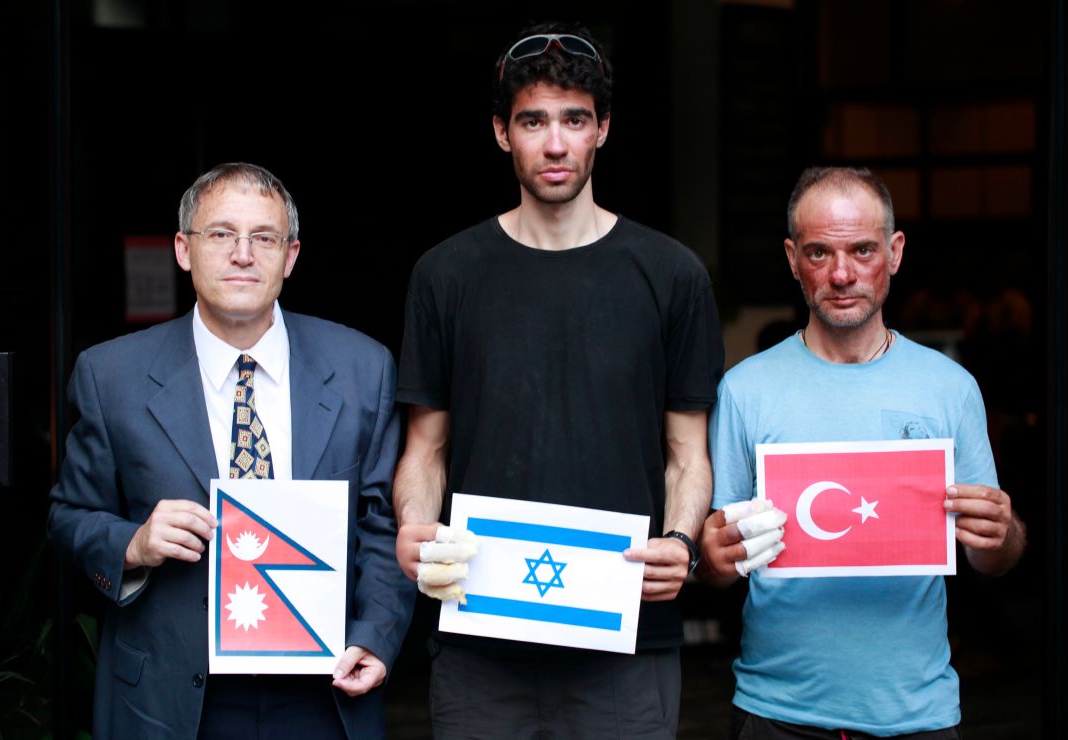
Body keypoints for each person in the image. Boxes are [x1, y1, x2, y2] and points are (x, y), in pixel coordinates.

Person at [392, 21, 724, 739]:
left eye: (574, 120)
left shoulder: (672, 275)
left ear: (602, 129)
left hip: (624, 638)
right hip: (480, 639)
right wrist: (415, 528)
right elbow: (425, 450)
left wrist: (681, 541)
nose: (554, 143)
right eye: (533, 120)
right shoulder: (445, 275)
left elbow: (687, 454)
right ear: (500, 132)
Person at [47, 163, 414, 739]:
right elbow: (69, 516)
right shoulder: (110, 374)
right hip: (173, 697)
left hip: (324, 691)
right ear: (183, 249)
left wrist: (377, 633)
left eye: (263, 238)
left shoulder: (362, 368)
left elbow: (384, 523)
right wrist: (135, 543)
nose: (243, 254)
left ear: (290, 257)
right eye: (220, 234)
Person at [698, 166, 1027, 739]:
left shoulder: (950, 387)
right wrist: (712, 556)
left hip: (916, 713)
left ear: (895, 252)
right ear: (792, 258)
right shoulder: (744, 389)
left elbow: (992, 558)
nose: (843, 274)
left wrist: (1003, 535)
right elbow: (718, 562)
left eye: (863, 250)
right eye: (820, 253)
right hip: (777, 711)